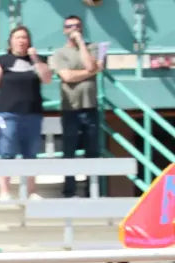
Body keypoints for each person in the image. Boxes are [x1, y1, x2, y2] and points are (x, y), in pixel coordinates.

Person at [0, 25, 52, 202]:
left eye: (24, 38)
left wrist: (35, 58)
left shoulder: (38, 60)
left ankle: (31, 191)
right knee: (7, 149)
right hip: (7, 113)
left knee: (31, 152)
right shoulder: (2, 61)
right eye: (18, 37)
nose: (21, 41)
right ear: (11, 41)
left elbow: (47, 79)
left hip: (33, 113)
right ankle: (4, 191)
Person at [51, 16, 103, 198]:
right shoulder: (59, 53)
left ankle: (92, 191)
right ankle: (69, 190)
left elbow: (93, 65)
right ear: (64, 30)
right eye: (70, 27)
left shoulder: (94, 48)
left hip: (91, 107)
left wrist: (81, 44)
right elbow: (67, 77)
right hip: (70, 108)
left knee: (93, 151)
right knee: (69, 150)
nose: (74, 29)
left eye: (78, 26)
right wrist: (90, 72)